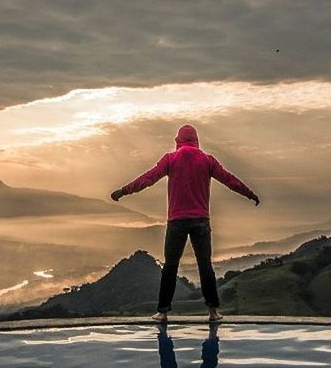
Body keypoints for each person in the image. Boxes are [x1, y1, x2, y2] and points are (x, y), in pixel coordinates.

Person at [111, 124, 260, 323]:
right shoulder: (207, 160)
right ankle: (213, 312)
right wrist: (249, 194)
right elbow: (229, 180)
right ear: (196, 140)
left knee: (170, 266)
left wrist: (123, 191)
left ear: (178, 140)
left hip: (177, 221)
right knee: (205, 265)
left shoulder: (170, 159)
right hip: (201, 221)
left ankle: (162, 312)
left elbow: (148, 178)